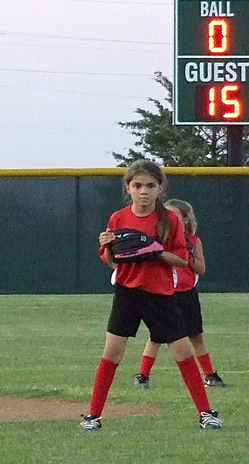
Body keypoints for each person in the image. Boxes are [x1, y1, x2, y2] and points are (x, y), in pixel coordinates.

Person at [80, 160, 222, 432]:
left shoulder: (168, 220)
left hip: (160, 293)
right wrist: (107, 247)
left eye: (150, 185)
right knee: (111, 353)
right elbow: (113, 261)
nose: (143, 191)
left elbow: (182, 261)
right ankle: (93, 416)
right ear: (128, 188)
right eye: (137, 185)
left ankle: (206, 413)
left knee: (181, 352)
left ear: (160, 188)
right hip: (127, 292)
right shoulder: (118, 218)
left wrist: (153, 249)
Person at [133, 198, 227, 389]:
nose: (170, 218)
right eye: (166, 215)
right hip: (164, 292)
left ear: (185, 219)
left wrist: (189, 257)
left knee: (196, 336)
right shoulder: (159, 241)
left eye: (175, 215)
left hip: (187, 294)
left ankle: (210, 375)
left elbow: (201, 269)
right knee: (156, 337)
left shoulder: (193, 240)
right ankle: (143, 375)